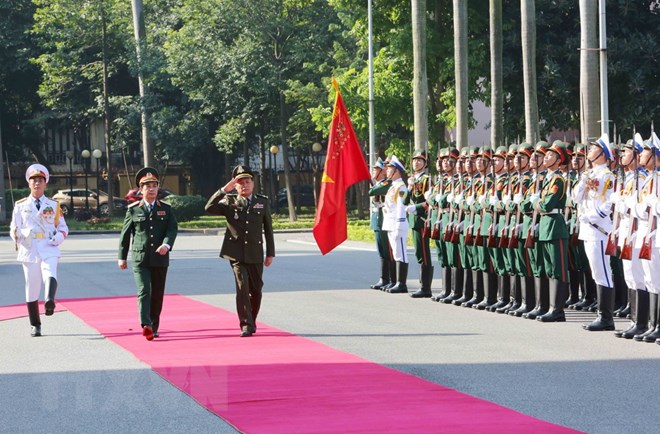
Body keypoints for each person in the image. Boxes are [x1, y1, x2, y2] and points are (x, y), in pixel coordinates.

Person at [205, 165, 275, 337]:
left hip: (255, 252)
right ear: (235, 186)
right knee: (242, 287)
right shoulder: (229, 201)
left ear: (253, 183)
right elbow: (209, 208)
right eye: (240, 183)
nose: (244, 185)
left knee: (256, 290)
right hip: (236, 253)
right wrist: (223, 190)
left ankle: (251, 320)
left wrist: (270, 252)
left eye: (247, 181)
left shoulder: (262, 201)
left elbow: (268, 228)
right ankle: (246, 324)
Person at [118, 167, 178, 341]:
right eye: (147, 186)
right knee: (144, 290)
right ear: (140, 189)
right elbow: (125, 234)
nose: (151, 189)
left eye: (154, 185)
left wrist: (166, 245)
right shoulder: (133, 209)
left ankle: (154, 325)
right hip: (140, 257)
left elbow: (172, 229)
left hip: (160, 258)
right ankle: (146, 325)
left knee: (157, 293)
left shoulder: (166, 209)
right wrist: (122, 257)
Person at [10, 164, 69, 337]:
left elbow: (63, 227)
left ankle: (50, 300)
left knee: (50, 271)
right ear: (29, 183)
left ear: (45, 184)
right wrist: (18, 235)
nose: (37, 183)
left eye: (40, 180)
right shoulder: (20, 206)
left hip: (48, 245)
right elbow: (14, 227)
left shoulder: (53, 205)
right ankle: (35, 324)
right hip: (29, 248)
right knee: (32, 286)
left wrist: (58, 238)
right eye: (34, 180)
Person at [368, 158, 395, 290]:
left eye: (376, 169)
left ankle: (391, 279)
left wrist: (374, 184)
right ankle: (384, 278)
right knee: (382, 252)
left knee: (388, 251)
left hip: (385, 221)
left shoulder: (387, 183)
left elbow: (373, 192)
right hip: (378, 220)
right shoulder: (380, 183)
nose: (373, 171)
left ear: (383, 171)